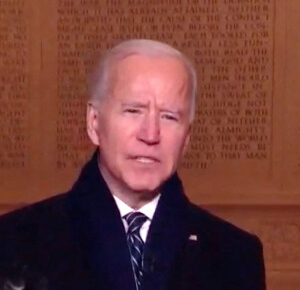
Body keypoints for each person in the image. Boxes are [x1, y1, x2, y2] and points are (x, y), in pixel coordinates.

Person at [0, 39, 265, 290]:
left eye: (169, 116)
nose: (150, 134)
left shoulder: (236, 256)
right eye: (133, 111)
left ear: (187, 137)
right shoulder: (14, 242)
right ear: (94, 123)